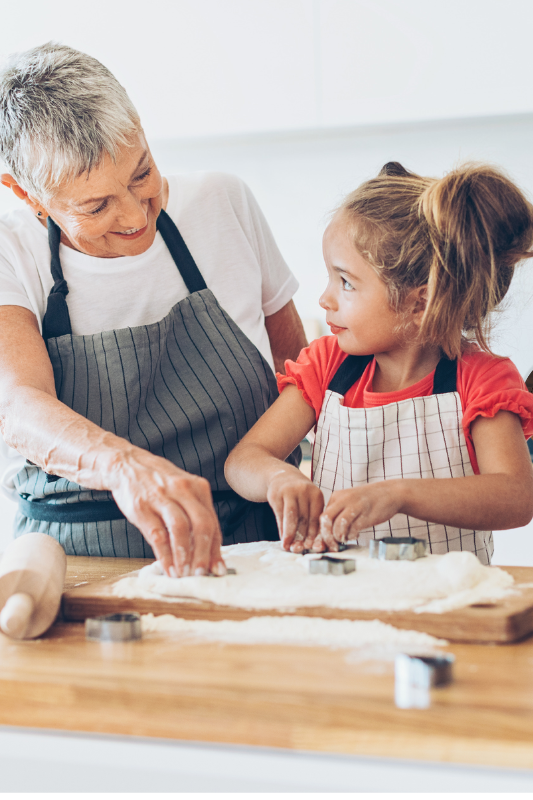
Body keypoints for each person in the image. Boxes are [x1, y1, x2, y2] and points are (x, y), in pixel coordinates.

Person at [0, 43, 307, 577]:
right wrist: (124, 468)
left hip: (253, 553)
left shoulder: (223, 202)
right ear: (27, 196)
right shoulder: (10, 250)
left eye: (142, 174)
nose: (135, 215)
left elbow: (300, 370)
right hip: (79, 560)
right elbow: (17, 404)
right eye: (96, 206)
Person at [224, 162, 533, 564]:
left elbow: (515, 496)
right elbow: (243, 460)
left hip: (447, 601)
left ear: (419, 302)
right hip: (342, 597)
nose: (325, 298)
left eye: (346, 282)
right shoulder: (327, 366)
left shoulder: (480, 380)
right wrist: (278, 477)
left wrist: (398, 494)